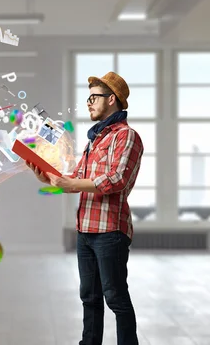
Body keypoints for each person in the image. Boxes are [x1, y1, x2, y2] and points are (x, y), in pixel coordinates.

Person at [26, 71, 144, 345]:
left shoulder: (126, 136)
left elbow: (116, 179)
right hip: (85, 229)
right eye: (88, 97)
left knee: (115, 297)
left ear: (111, 99)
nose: (89, 102)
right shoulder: (96, 139)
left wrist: (70, 182)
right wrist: (49, 178)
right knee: (89, 298)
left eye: (94, 97)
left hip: (110, 230)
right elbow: (77, 178)